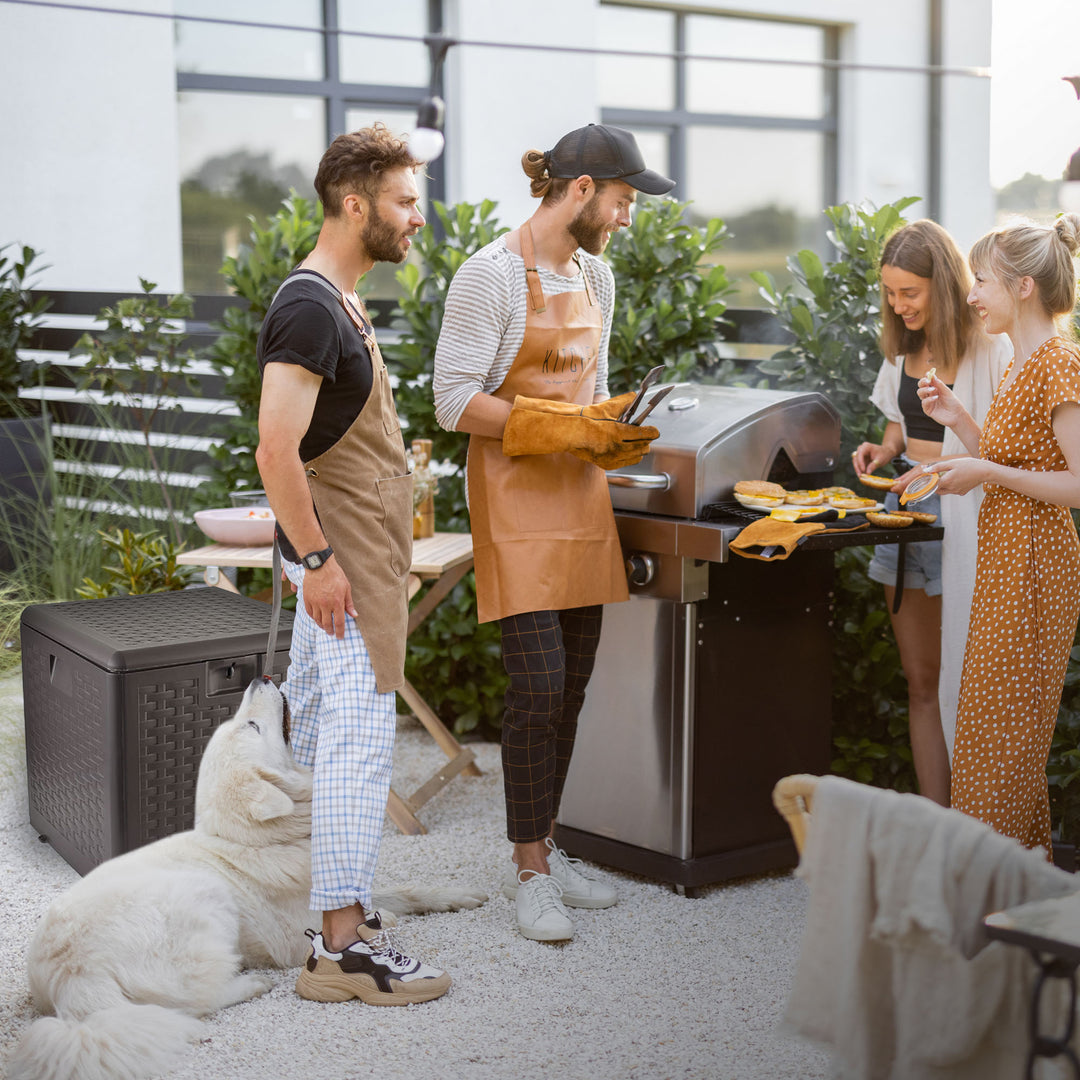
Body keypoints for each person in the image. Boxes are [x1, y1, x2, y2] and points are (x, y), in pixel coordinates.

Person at [432, 123, 671, 941]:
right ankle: (529, 873)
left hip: (580, 500)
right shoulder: (489, 277)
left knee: (570, 688)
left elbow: (590, 393)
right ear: (580, 192)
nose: (627, 216)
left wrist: (613, 426)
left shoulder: (596, 277)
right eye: (624, 199)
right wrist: (565, 429)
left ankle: (549, 844)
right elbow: (454, 401)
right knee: (534, 686)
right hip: (514, 497)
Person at [254, 124, 451, 1003]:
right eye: (407, 202)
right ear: (355, 202)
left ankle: (345, 918)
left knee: (334, 736)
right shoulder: (309, 306)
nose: (419, 219)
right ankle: (343, 953)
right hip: (347, 570)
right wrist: (322, 560)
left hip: (356, 560)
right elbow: (274, 449)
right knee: (357, 750)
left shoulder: (340, 300)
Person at [918, 212, 1080, 852]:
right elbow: (1021, 465)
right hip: (1010, 560)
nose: (970, 294)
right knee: (991, 729)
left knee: (1002, 737)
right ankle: (1011, 892)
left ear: (1022, 287)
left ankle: (993, 898)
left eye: (980, 280)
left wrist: (983, 469)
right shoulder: (1024, 361)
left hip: (1037, 565)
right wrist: (961, 422)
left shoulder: (1059, 364)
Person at [852, 220, 1010, 806]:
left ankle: (976, 828)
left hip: (964, 517)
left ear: (941, 285)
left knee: (966, 684)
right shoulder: (904, 348)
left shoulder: (992, 347)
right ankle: (936, 827)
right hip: (905, 515)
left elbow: (1006, 451)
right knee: (922, 683)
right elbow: (900, 425)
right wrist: (884, 451)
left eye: (910, 293)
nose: (899, 305)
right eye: (891, 294)